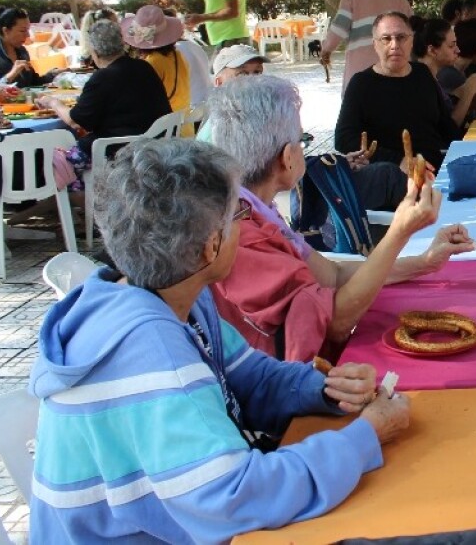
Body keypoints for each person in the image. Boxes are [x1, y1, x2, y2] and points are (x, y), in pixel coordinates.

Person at [29, 138, 411, 542]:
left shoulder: (170, 298)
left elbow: (251, 377)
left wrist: (325, 389)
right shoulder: (150, 352)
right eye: (239, 214)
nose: (245, 223)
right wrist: (363, 437)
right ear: (211, 247)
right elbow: (235, 496)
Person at [208, 75, 476, 362]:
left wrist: (424, 263)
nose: (304, 148)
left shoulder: (257, 209)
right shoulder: (242, 234)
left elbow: (332, 276)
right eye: (303, 139)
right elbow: (335, 322)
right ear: (287, 157)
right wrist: (399, 232)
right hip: (287, 390)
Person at [35, 20, 171, 185]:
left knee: (54, 162)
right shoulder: (144, 67)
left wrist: (53, 102)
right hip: (153, 145)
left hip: (120, 150)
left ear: (94, 51)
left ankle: (76, 202)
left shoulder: (103, 77)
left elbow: (76, 121)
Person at [336, 12, 459, 168]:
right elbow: (344, 139)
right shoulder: (361, 83)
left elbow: (445, 124)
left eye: (401, 37)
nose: (394, 45)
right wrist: (398, 161)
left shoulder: (422, 73)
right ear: (375, 44)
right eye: (386, 39)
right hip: (391, 176)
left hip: (436, 169)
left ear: (411, 41)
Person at [320, 0, 414, 89]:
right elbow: (413, 31)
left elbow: (338, 30)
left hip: (360, 73)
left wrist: (326, 50)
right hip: (394, 71)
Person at [419, 19, 476, 130]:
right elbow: (448, 130)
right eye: (451, 46)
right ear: (432, 50)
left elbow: (444, 118)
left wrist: (468, 105)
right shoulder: (422, 83)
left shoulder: (431, 77)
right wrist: (469, 91)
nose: (458, 50)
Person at [122, 5, 191, 114]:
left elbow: (140, 99)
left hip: (164, 126)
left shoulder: (152, 63)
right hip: (184, 124)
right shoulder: (177, 54)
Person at [0, 7, 59, 87]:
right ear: (6, 31)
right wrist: (11, 74)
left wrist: (54, 73)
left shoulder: (22, 51)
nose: (28, 35)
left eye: (28, 30)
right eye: (22, 30)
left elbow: (34, 81)